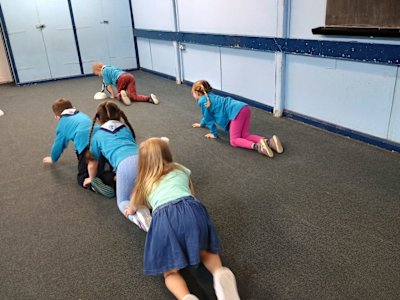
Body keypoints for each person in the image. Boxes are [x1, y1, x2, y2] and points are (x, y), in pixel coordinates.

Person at [125, 137, 240, 300]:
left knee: (170, 272)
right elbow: (192, 193)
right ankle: (219, 273)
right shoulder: (180, 169)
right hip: (191, 209)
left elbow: (135, 203)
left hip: (164, 219)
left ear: (142, 163)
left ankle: (186, 296)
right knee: (206, 252)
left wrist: (131, 209)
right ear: (168, 154)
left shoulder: (143, 183)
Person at [85, 101, 151, 231]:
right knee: (144, 190)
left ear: (99, 119)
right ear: (119, 115)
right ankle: (148, 204)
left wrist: (91, 179)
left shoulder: (97, 135)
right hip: (147, 160)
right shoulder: (125, 129)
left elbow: (93, 163)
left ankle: (140, 218)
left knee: (123, 202)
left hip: (125, 165)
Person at [43, 98, 115, 198]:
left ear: (57, 117)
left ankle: (93, 185)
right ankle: (113, 177)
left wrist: (53, 158)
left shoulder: (62, 124)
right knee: (103, 164)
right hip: (104, 139)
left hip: (86, 144)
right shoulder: (80, 114)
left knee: (82, 177)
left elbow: (58, 145)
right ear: (73, 107)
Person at [191, 80, 284, 158]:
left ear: (197, 93)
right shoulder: (210, 96)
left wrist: (214, 134)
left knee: (234, 140)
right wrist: (202, 124)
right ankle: (270, 142)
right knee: (245, 135)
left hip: (236, 112)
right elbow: (207, 114)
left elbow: (208, 118)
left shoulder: (202, 100)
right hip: (244, 108)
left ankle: (258, 147)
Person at [92, 62, 159, 106]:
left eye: (97, 74)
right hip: (129, 76)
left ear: (99, 69)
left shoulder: (104, 72)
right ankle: (149, 98)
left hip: (121, 78)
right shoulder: (110, 67)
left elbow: (109, 86)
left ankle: (121, 94)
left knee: (118, 95)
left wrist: (112, 95)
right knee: (134, 96)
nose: (98, 75)